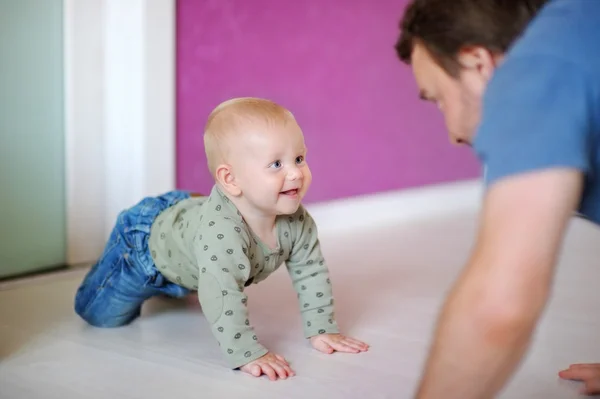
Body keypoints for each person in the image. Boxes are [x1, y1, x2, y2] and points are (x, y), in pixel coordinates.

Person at [74, 97, 369, 381]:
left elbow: (311, 271)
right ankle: (120, 266)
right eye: (276, 164)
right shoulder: (222, 234)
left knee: (205, 272)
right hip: (144, 245)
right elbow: (223, 293)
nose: (295, 173)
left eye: (299, 158)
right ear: (230, 180)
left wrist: (322, 329)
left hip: (190, 229)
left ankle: (180, 270)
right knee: (99, 316)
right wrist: (246, 352)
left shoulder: (297, 221)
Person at [394, 0, 600, 397]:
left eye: (438, 97)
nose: (452, 134)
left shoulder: (535, 70)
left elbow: (499, 309)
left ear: (477, 63)